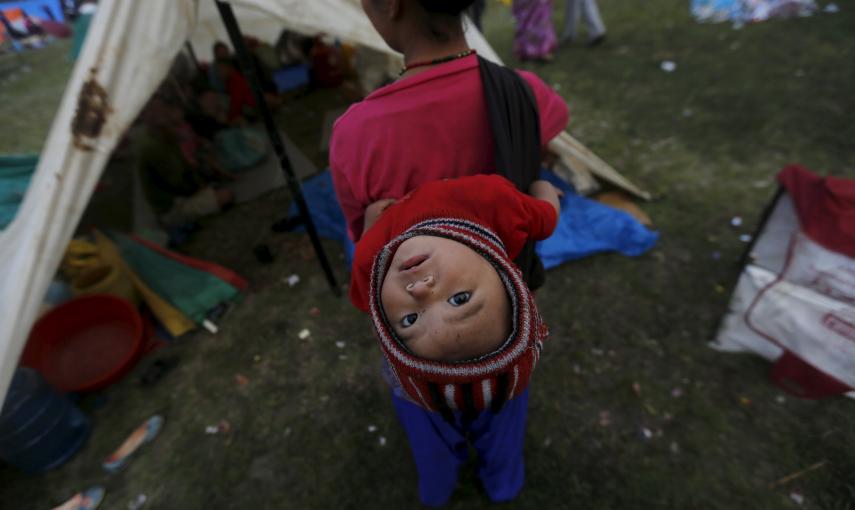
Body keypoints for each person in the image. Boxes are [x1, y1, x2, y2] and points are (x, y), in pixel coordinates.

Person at [349, 174, 560, 506]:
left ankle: (437, 490)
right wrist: (543, 187)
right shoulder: (490, 202)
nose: (418, 291)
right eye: (460, 299)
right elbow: (546, 215)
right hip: (501, 384)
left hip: (418, 390)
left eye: (409, 319)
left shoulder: (375, 256)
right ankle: (503, 484)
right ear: (500, 272)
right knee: (503, 428)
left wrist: (371, 224)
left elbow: (364, 296)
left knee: (430, 440)